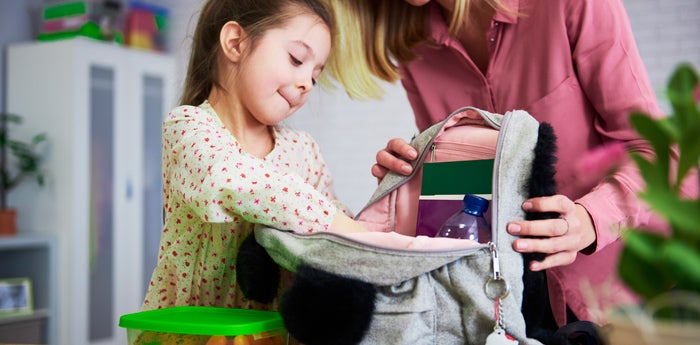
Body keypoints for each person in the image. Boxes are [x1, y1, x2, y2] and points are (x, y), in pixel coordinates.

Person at [322, 0, 698, 331]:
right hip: (517, 300)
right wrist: (412, 179)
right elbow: (469, 189)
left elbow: (657, 152)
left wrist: (589, 219)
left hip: (636, 286)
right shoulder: (414, 47)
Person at [142, 0, 367, 312]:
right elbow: (230, 180)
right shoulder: (189, 128)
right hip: (195, 333)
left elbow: (339, 231)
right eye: (296, 59)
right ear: (236, 43)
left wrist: (379, 210)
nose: (306, 84)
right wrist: (334, 221)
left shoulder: (303, 150)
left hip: (273, 333)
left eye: (315, 76)